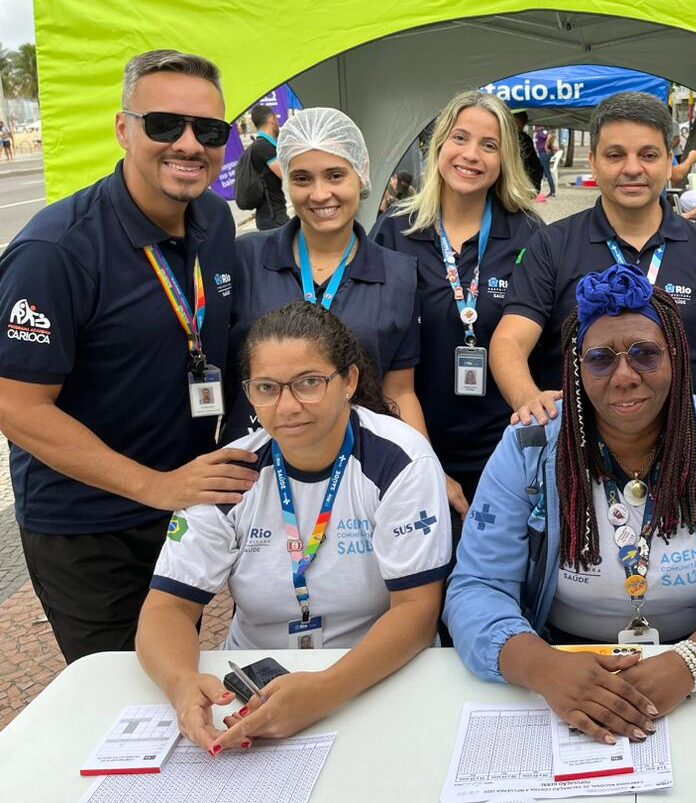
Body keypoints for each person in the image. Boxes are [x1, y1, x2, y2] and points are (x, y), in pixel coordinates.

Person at [445, 265, 696, 744]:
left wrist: (691, 664)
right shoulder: (529, 447)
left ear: (677, 357)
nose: (625, 376)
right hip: (562, 663)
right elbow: (477, 587)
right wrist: (544, 668)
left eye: (645, 354)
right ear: (577, 368)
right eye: (600, 359)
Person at [0, 50, 252, 663]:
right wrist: (156, 486)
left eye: (209, 130)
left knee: (178, 663)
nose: (188, 144)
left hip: (180, 505)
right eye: (165, 124)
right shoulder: (54, 252)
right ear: (123, 129)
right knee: (124, 689)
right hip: (89, 526)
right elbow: (16, 406)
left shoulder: (215, 220)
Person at [137, 301, 450, 755]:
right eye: (267, 388)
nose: (287, 407)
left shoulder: (400, 461)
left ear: (349, 381)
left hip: (375, 676)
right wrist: (181, 683)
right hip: (252, 682)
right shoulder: (228, 474)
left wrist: (325, 691)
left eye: (308, 383)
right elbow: (167, 609)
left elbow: (417, 612)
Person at [492, 91, 696, 426]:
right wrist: (528, 399)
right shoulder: (552, 245)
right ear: (593, 162)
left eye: (648, 155)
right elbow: (510, 340)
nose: (632, 168)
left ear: (669, 161)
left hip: (679, 445)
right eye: (615, 155)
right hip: (574, 443)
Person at [371, 90, 541, 518]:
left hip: (506, 448)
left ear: (505, 159)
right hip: (411, 441)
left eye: (489, 145)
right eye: (460, 138)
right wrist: (425, 465)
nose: (471, 155)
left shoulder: (528, 234)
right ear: (438, 145)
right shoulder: (395, 231)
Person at [227, 107, 425, 445]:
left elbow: (400, 392)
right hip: (258, 458)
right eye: (302, 178)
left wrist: (425, 465)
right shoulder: (245, 259)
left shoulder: (398, 275)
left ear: (361, 175)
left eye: (335, 176)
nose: (319, 194)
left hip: (360, 460)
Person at [246, 104, 288, 231]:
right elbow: (285, 173)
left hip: (273, 213)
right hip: (272, 216)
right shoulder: (263, 147)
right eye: (277, 120)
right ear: (272, 120)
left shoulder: (263, 145)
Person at [513, 111, 543, 199]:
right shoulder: (524, 138)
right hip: (528, 183)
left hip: (523, 183)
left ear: (518, 122)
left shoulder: (519, 138)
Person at [536, 126, 556, 200]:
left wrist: (546, 147)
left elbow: (549, 136)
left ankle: (552, 192)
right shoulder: (540, 133)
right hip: (543, 154)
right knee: (544, 173)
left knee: (547, 173)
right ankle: (552, 191)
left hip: (543, 154)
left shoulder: (540, 133)